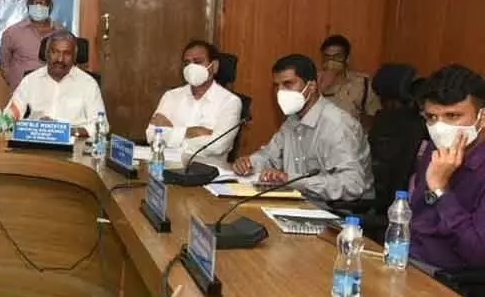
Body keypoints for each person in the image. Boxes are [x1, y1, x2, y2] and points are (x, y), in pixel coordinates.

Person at [233, 54, 372, 202]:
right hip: (301, 202)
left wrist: (293, 181)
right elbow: (270, 156)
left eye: (288, 84)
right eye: (276, 86)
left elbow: (353, 184)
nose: (280, 92)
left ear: (311, 87)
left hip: (339, 211)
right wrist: (249, 163)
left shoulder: (337, 124)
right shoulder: (292, 120)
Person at [409, 65, 485, 269]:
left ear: (482, 118)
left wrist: (441, 190)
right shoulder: (436, 148)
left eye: (453, 116)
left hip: (450, 281)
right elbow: (417, 217)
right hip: (409, 257)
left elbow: (478, 255)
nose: (440, 128)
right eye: (432, 118)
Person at [146, 40, 242, 162]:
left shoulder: (230, 102)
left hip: (208, 172)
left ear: (214, 66)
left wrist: (172, 130)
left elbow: (217, 146)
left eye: (198, 62)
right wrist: (190, 132)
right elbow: (151, 135)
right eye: (187, 63)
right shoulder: (171, 96)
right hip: (167, 166)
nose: (191, 67)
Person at [7, 30, 106, 138]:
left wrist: (65, 131)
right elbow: (10, 115)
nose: (60, 59)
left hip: (74, 146)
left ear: (74, 57)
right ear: (46, 53)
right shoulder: (30, 80)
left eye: (67, 54)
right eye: (55, 52)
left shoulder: (88, 84)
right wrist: (34, 127)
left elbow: (102, 126)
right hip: (36, 143)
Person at [0, 0, 61, 90]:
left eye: (42, 3)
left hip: (52, 95)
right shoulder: (12, 33)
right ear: (27, 4)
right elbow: (4, 65)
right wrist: (15, 84)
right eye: (34, 3)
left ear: (50, 5)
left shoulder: (61, 33)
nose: (38, 6)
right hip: (22, 96)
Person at [318, 34, 379, 123]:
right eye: (327, 57)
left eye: (337, 57)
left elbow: (374, 115)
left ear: (347, 59)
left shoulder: (362, 83)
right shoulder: (314, 81)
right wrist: (322, 87)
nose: (331, 61)